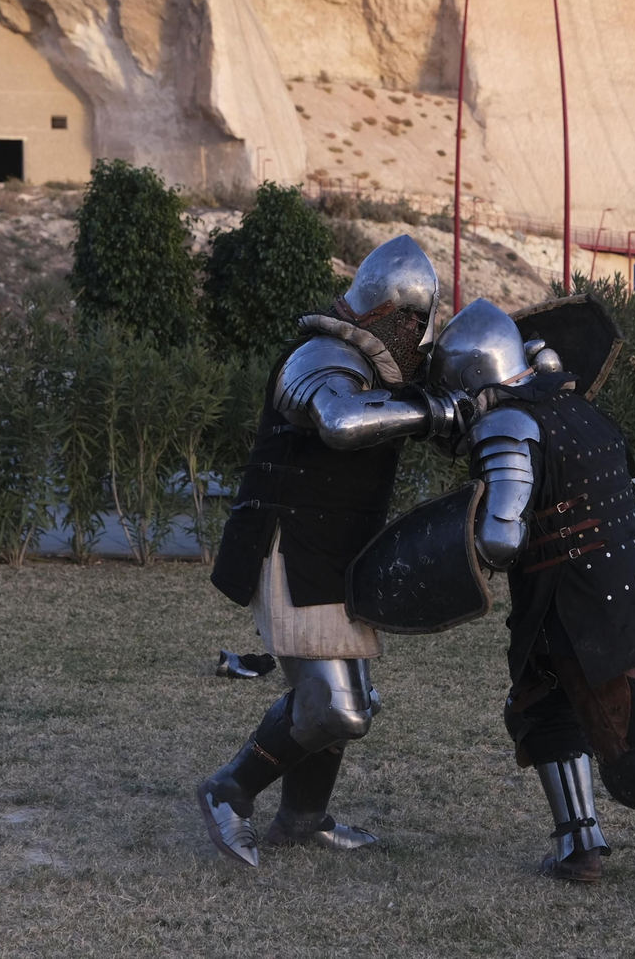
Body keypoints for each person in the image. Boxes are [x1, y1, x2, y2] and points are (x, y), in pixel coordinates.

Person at [426, 297, 635, 920]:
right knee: (543, 711)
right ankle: (581, 847)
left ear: (471, 380)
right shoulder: (575, 408)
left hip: (585, 605)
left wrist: (445, 549)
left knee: (633, 748)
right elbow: (627, 493)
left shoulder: (509, 426)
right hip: (601, 590)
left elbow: (501, 538)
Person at [198, 234, 467, 867]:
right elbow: (341, 422)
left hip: (340, 552)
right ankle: (228, 790)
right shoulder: (317, 356)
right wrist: (431, 412)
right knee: (338, 711)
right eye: (418, 325)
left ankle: (302, 818)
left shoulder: (377, 369)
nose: (422, 340)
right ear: (398, 317)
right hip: (290, 547)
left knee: (351, 703)